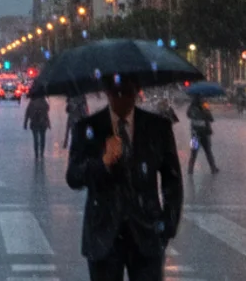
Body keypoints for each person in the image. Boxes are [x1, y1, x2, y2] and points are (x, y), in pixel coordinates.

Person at [67, 76, 183, 281]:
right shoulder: (88, 127)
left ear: (137, 91)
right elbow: (74, 177)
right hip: (103, 236)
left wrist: (167, 226)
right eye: (116, 93)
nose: (122, 99)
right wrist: (103, 163)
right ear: (107, 93)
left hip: (147, 235)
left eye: (128, 93)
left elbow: (172, 180)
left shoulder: (157, 127)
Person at [186, 95, 220, 175]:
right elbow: (211, 118)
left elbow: (188, 115)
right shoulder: (204, 107)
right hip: (204, 133)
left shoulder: (191, 108)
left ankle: (190, 170)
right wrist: (206, 110)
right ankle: (213, 168)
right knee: (208, 151)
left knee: (193, 153)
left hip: (194, 134)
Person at [24, 94, 51, 161]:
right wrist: (48, 123)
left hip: (35, 123)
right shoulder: (43, 101)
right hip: (41, 123)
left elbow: (27, 113)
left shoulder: (32, 102)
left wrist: (25, 123)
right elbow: (47, 111)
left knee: (36, 139)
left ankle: (37, 154)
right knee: (42, 138)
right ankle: (41, 153)